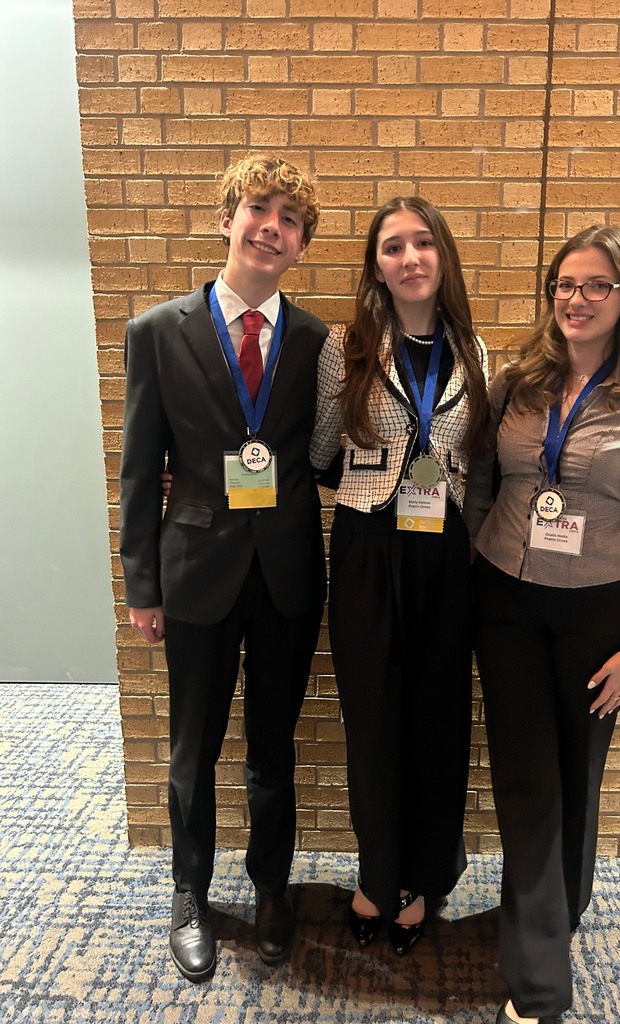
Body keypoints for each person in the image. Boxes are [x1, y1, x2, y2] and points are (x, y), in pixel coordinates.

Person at [463, 225, 620, 1024]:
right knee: (527, 776)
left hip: (599, 609)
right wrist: (464, 580)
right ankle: (540, 979)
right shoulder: (519, 380)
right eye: (565, 283)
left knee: (578, 777)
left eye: (596, 286)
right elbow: (482, 479)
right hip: (508, 600)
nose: (576, 299)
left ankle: (559, 910)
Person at [119, 155, 328, 980]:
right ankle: (190, 895)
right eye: (258, 208)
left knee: (274, 747)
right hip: (194, 570)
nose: (271, 225)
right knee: (191, 748)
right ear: (227, 218)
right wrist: (142, 585)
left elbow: (322, 453)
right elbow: (140, 468)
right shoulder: (156, 333)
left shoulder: (316, 342)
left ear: (301, 245)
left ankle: (272, 889)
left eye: (289, 218)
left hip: (283, 575)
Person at [310, 196, 488, 955]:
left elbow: (480, 463)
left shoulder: (476, 350)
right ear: (376, 265)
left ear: (441, 256)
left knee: (439, 717)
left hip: (446, 549)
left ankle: (424, 879)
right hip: (366, 545)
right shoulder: (345, 347)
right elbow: (322, 449)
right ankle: (378, 874)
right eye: (393, 247)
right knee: (374, 715)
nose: (409, 258)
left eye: (422, 243)